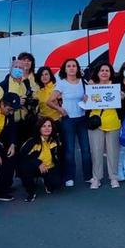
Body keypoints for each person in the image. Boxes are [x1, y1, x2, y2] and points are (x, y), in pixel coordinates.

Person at [46, 58, 92, 187]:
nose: (72, 68)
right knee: (69, 150)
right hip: (68, 121)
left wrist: (87, 98)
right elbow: (49, 101)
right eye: (69, 66)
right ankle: (69, 176)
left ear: (77, 68)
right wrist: (60, 110)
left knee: (86, 149)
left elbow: (92, 98)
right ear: (64, 69)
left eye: (74, 66)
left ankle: (88, 175)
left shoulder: (83, 82)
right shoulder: (61, 84)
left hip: (82, 119)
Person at [87, 63, 121, 189]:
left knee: (113, 152)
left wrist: (121, 95)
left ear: (111, 73)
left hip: (112, 121)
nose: (104, 73)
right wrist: (86, 98)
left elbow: (121, 99)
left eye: (107, 70)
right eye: (102, 70)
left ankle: (114, 177)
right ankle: (96, 178)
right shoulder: (91, 87)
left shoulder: (115, 87)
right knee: (96, 152)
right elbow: (86, 103)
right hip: (96, 122)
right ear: (98, 73)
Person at [18, 117, 63, 202]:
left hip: (50, 167)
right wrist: (38, 163)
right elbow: (22, 157)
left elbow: (59, 157)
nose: (47, 128)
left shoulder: (55, 140)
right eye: (44, 126)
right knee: (24, 168)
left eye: (49, 126)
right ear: (39, 128)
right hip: (35, 167)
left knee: (57, 184)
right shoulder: (32, 141)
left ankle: (46, 180)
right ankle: (31, 192)